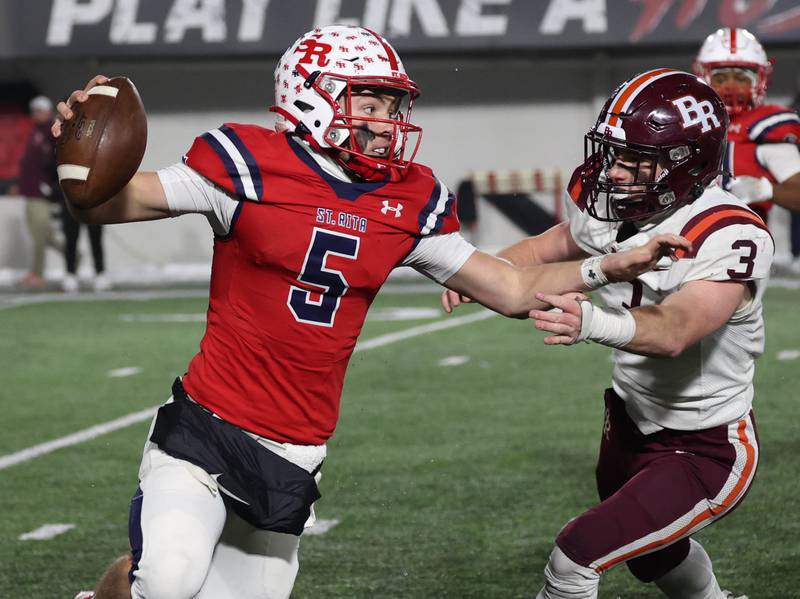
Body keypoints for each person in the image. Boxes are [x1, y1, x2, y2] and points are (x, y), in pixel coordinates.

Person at [55, 27, 687, 599]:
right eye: (372, 102)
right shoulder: (246, 163)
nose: (389, 121)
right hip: (206, 425)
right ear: (314, 96)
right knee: (167, 581)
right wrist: (79, 160)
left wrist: (610, 266)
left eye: (393, 105)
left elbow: (512, 289)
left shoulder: (407, 198)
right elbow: (107, 202)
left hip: (295, 448)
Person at [444, 69, 770, 599]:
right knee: (657, 554)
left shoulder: (731, 232)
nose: (613, 172)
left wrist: (590, 321)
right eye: (611, 154)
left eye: (633, 159)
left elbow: (675, 331)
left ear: (686, 161)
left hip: (705, 444)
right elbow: (538, 250)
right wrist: (484, 272)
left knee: (575, 555)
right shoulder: (616, 212)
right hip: (628, 420)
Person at [693, 28, 800, 227]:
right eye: (721, 78)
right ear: (704, 77)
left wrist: (764, 190)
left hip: (741, 246)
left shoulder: (765, 127)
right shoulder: (684, 124)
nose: (731, 86)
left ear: (759, 80)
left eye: (741, 78)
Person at [17, 95, 65, 289]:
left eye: (40, 110)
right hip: (30, 190)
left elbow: (54, 160)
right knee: (41, 233)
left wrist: (50, 184)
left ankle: (38, 273)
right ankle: (73, 255)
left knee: (39, 234)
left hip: (40, 192)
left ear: (47, 112)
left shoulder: (49, 132)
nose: (36, 114)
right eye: (34, 111)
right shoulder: (36, 132)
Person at [60, 188, 109, 292]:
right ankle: (70, 273)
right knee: (71, 239)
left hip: (93, 198)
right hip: (70, 198)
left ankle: (100, 272)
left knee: (96, 239)